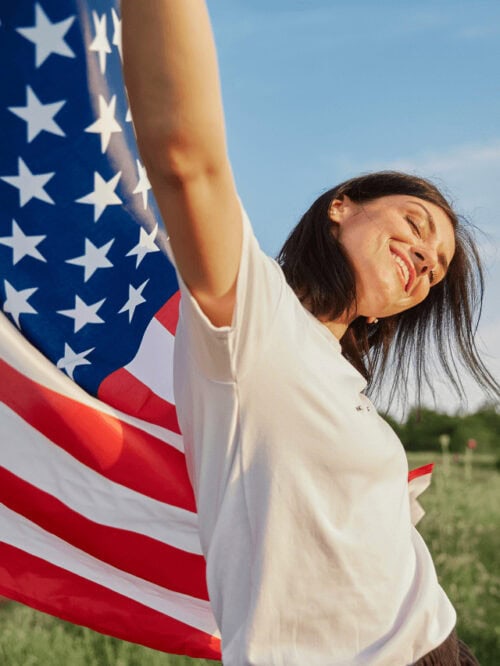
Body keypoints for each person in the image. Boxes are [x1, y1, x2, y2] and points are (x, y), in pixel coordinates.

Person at [121, 2, 496, 663]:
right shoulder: (255, 321)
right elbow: (187, 159)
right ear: (340, 206)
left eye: (435, 270)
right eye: (413, 223)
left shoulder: (340, 375)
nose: (424, 259)